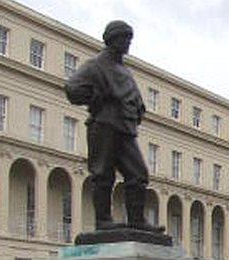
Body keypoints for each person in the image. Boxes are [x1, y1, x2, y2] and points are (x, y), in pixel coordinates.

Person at [65, 20, 163, 233]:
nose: (128, 43)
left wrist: (138, 109)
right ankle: (103, 220)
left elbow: (135, 99)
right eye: (124, 38)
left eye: (129, 38)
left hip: (125, 128)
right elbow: (72, 89)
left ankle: (136, 220)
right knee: (102, 173)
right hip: (103, 126)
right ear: (112, 39)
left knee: (138, 174)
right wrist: (96, 98)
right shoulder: (95, 65)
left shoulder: (125, 71)